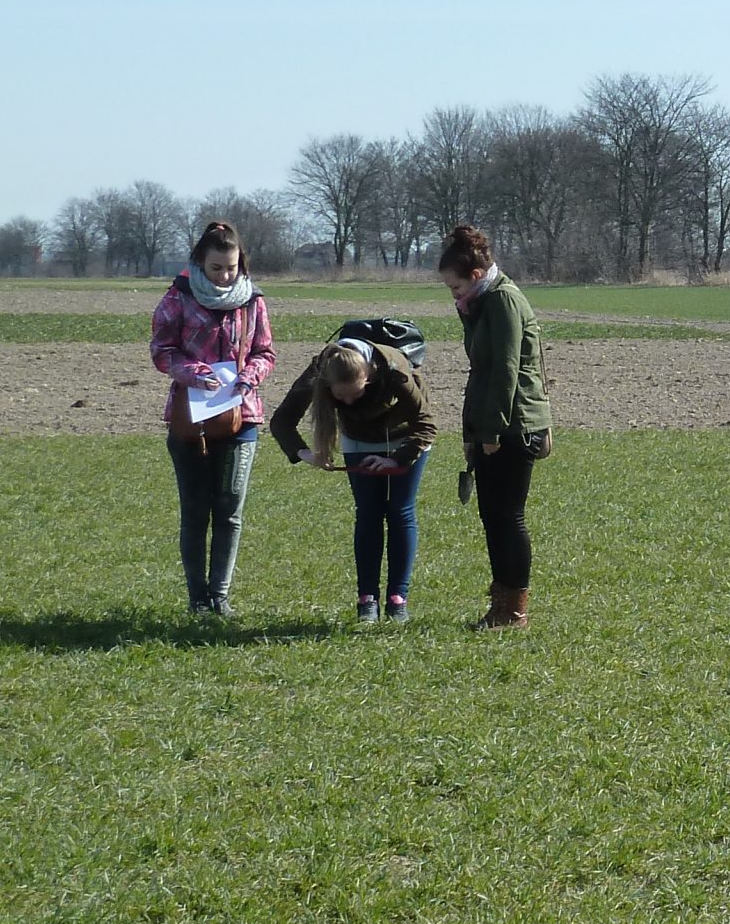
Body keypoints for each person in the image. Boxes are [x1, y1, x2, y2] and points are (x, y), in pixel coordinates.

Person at [149, 220, 276, 617]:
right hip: (191, 419)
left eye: (231, 268)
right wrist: (191, 372)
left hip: (242, 417)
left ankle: (220, 596)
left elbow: (265, 352)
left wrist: (248, 377)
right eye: (217, 268)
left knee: (229, 508)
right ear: (200, 263)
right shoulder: (177, 299)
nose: (224, 276)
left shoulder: (252, 301)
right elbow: (161, 349)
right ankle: (197, 597)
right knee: (195, 511)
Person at [268, 335, 438, 623]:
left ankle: (398, 598)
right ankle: (367, 599)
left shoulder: (393, 369)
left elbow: (427, 424)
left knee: (400, 512)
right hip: (359, 441)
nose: (347, 401)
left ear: (369, 375)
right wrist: (304, 453)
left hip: (406, 438)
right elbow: (281, 420)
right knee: (368, 514)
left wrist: (396, 458)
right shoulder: (320, 371)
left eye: (356, 394)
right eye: (340, 396)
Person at [437, 224, 551, 630]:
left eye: (455, 289)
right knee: (494, 516)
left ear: (476, 276)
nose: (454, 296)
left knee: (507, 517)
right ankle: (502, 605)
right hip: (494, 423)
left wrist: (490, 433)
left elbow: (504, 371)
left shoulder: (502, 301)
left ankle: (512, 610)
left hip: (512, 426)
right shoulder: (483, 302)